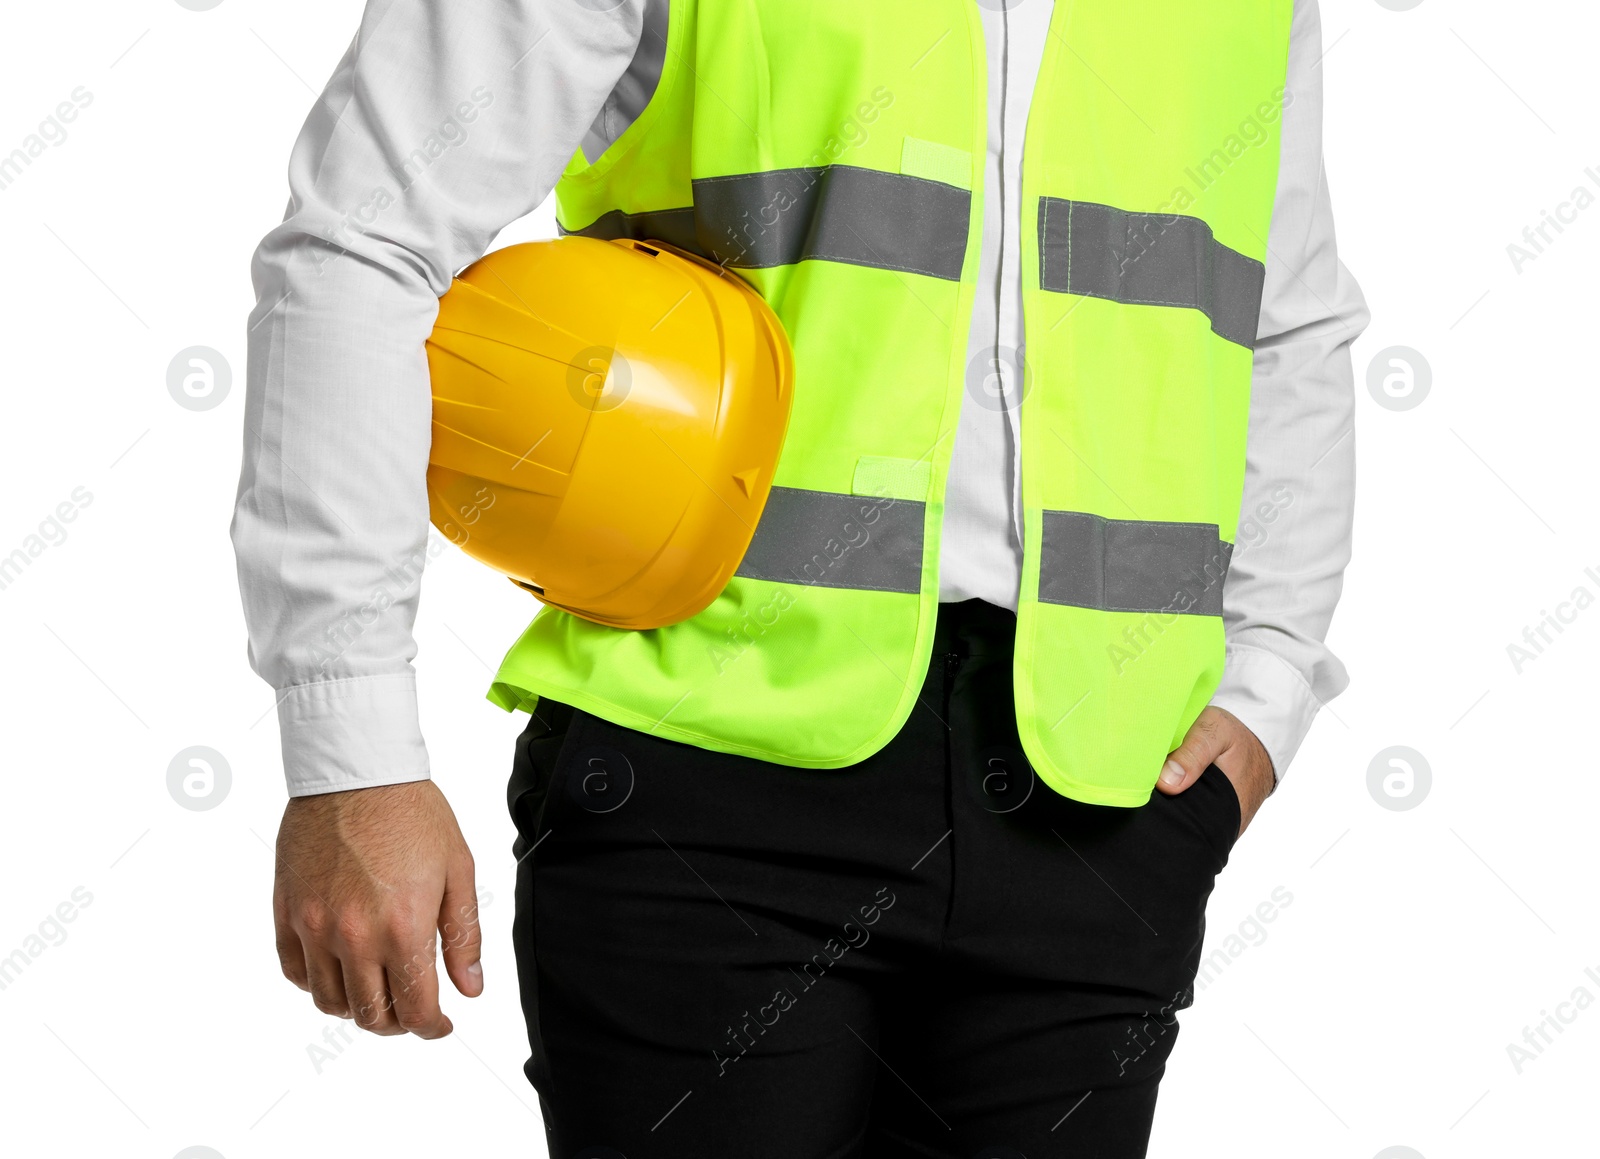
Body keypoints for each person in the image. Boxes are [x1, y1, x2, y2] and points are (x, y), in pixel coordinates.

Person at [233, 1, 1367, 1154]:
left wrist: (1269, 678)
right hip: (702, 766)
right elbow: (364, 240)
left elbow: (1287, 320)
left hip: (1106, 800)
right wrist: (352, 749)